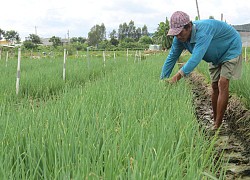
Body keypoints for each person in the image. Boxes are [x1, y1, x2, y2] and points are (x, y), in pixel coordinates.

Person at [160, 11, 242, 129]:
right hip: (214, 56)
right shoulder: (178, 39)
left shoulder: (203, 31)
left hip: (230, 47)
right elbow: (171, 58)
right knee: (214, 86)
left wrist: (175, 78)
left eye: (179, 33)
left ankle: (217, 125)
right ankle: (215, 119)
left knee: (222, 82)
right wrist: (163, 80)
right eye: (175, 34)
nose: (177, 36)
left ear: (188, 27)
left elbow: (195, 59)